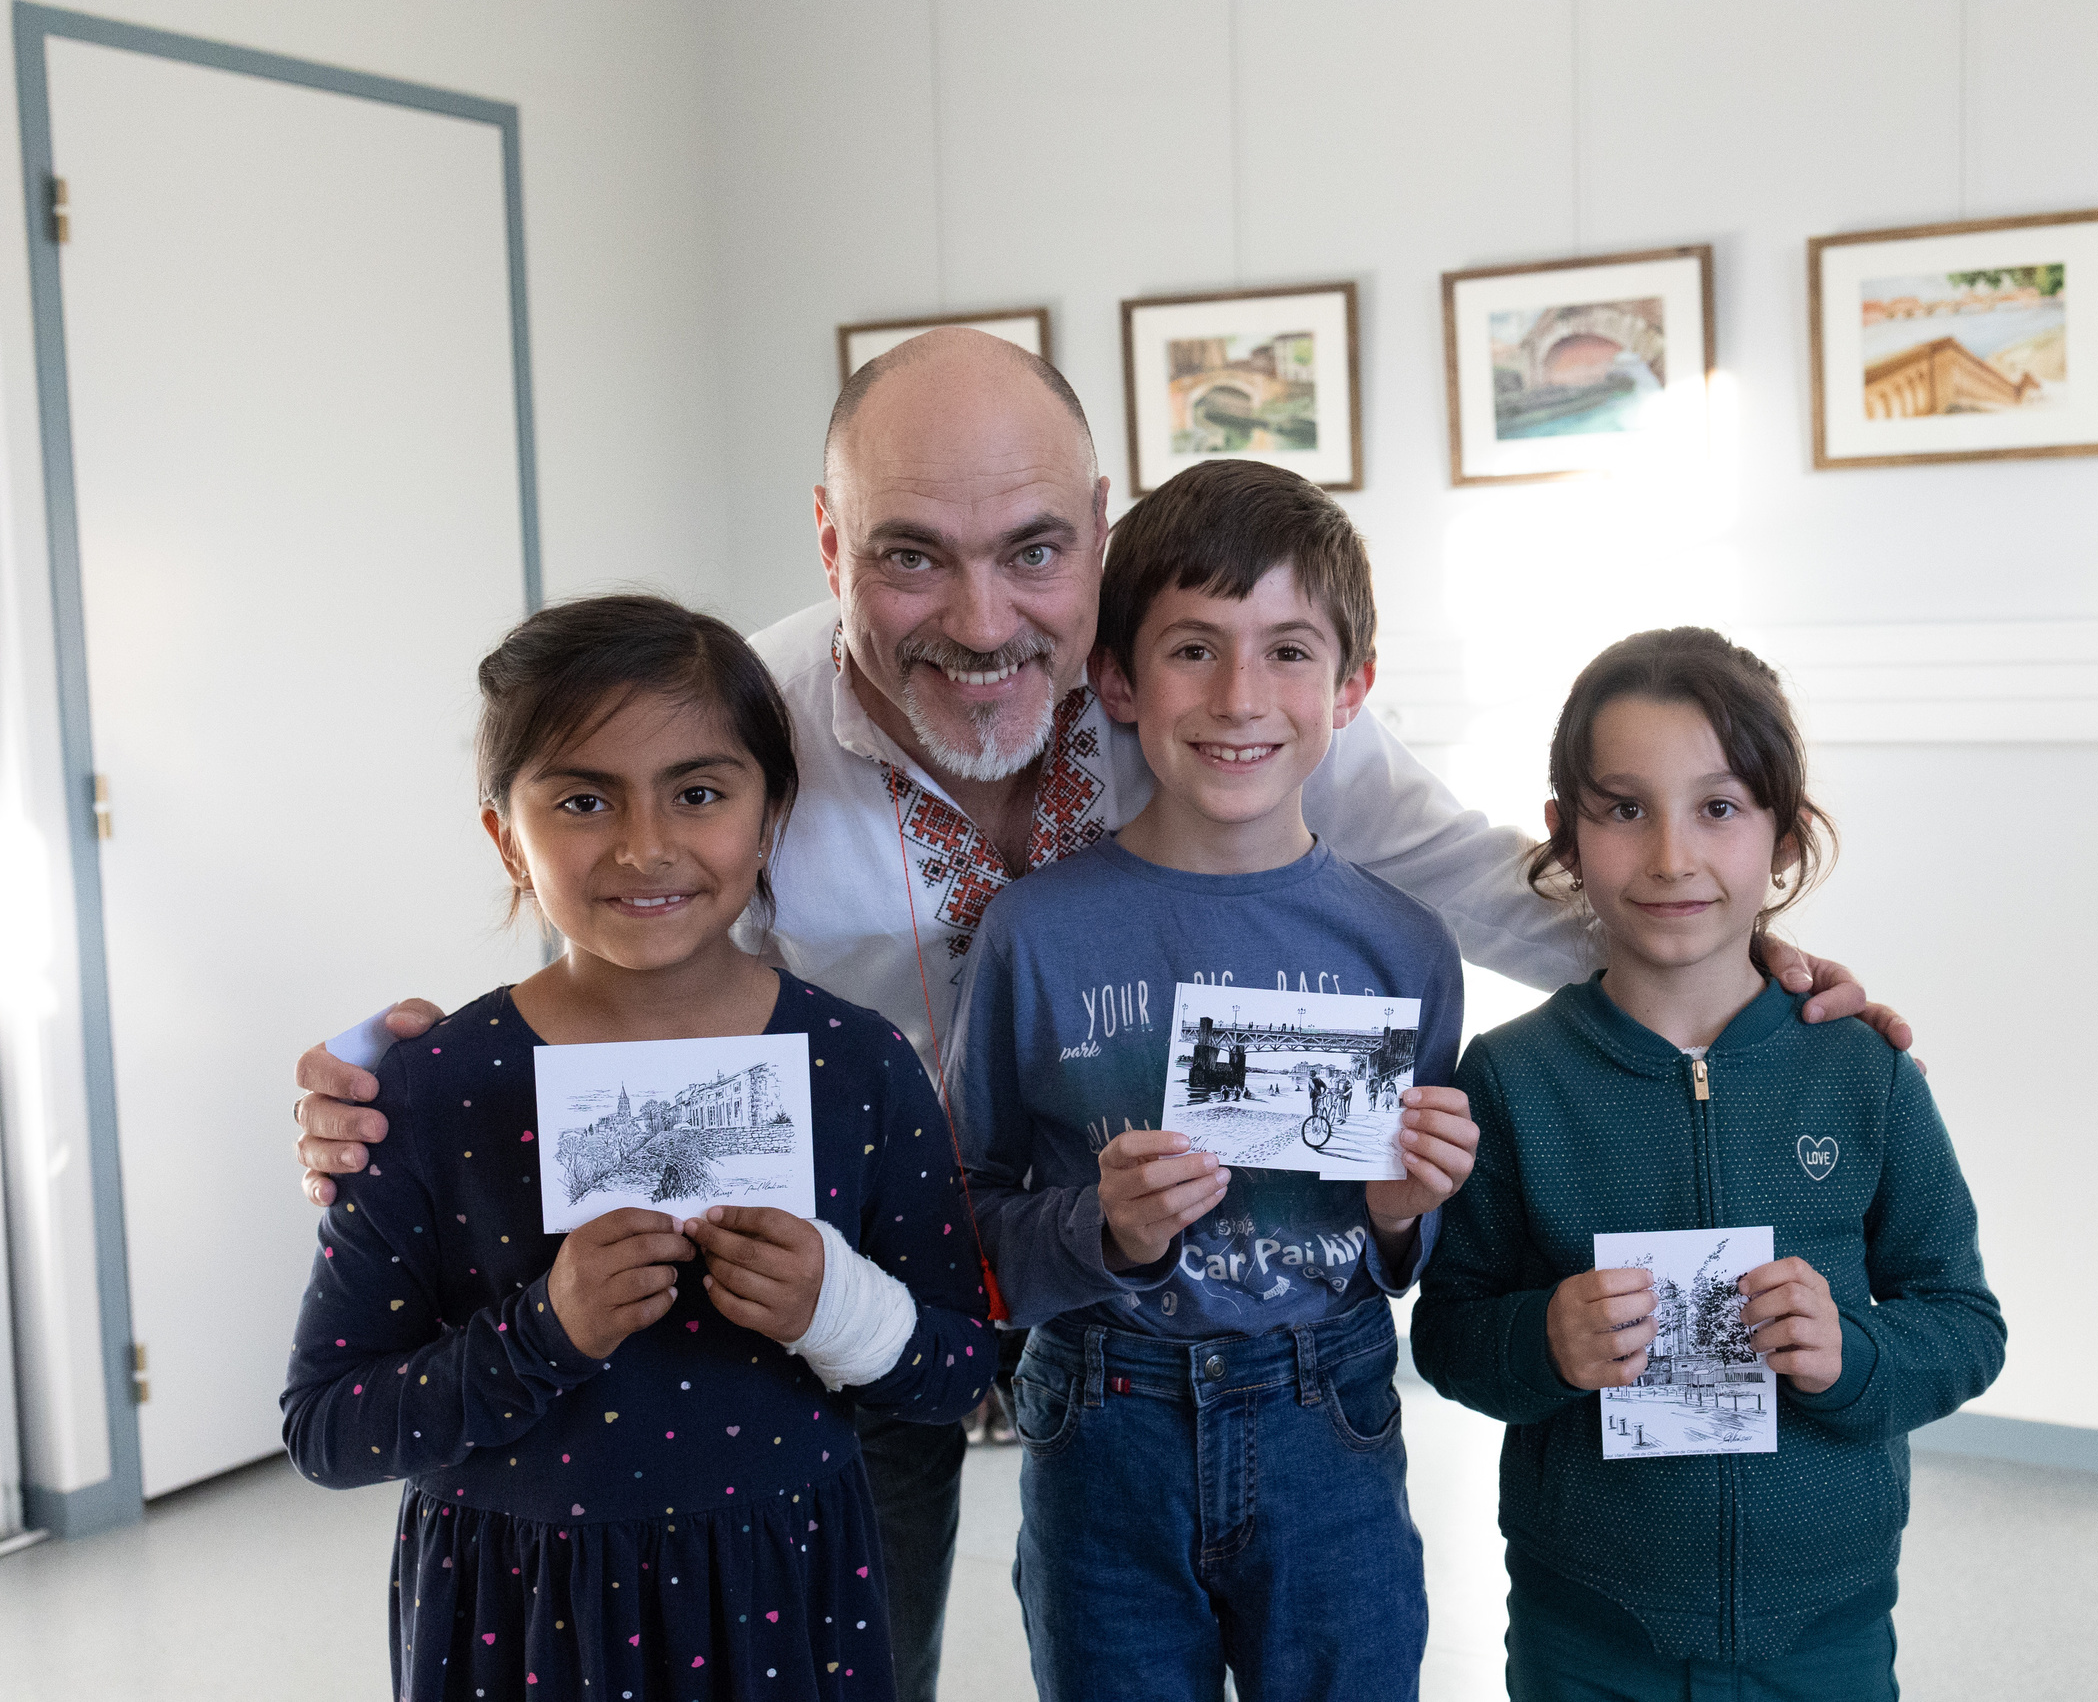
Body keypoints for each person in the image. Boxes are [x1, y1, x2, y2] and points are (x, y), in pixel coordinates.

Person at [288, 331, 1908, 1700]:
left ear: (1096, 532)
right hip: (839, 1290)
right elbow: (629, 911)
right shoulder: (747, 718)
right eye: (914, 550)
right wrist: (428, 1081)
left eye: (1032, 552)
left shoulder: (1221, 701)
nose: (985, 619)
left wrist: (1750, 974)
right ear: (831, 542)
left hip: (1205, 1341)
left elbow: (1492, 892)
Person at [279, 595, 990, 1700]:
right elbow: (328, 1429)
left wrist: (834, 1309)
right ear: (503, 832)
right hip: (518, 1622)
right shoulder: (427, 1092)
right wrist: (541, 1334)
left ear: (770, 817)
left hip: (787, 1600)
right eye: (580, 798)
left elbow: (955, 1372)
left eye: (699, 792)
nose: (644, 845)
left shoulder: (857, 1068)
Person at [951, 460, 1475, 1700]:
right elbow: (968, 1226)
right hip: (1099, 1422)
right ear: (1118, 681)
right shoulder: (1033, 934)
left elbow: (1417, 1249)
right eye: (1193, 648)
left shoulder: (1405, 949)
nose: (1241, 696)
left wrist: (1409, 1209)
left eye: (1289, 650)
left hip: (1329, 1415)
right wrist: (1101, 1230)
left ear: (1350, 688)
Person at [1409, 628, 2006, 1701]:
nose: (1671, 858)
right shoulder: (1508, 1080)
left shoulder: (1862, 1072)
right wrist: (1543, 1338)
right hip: (1583, 1628)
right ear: (1565, 833)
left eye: (1719, 808)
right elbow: (1448, 1332)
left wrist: (1851, 1353)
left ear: (1783, 837)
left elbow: (1964, 1324)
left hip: (1826, 1625)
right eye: (1623, 808)